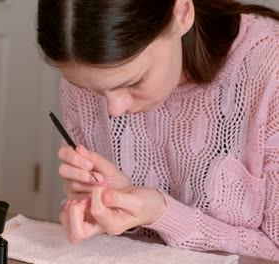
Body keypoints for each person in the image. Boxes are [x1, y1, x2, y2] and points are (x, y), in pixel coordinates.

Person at [36, 0, 279, 260]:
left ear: (182, 13)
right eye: (93, 89)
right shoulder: (85, 76)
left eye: (135, 82)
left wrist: (162, 214)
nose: (115, 109)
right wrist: (103, 209)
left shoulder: (269, 69)